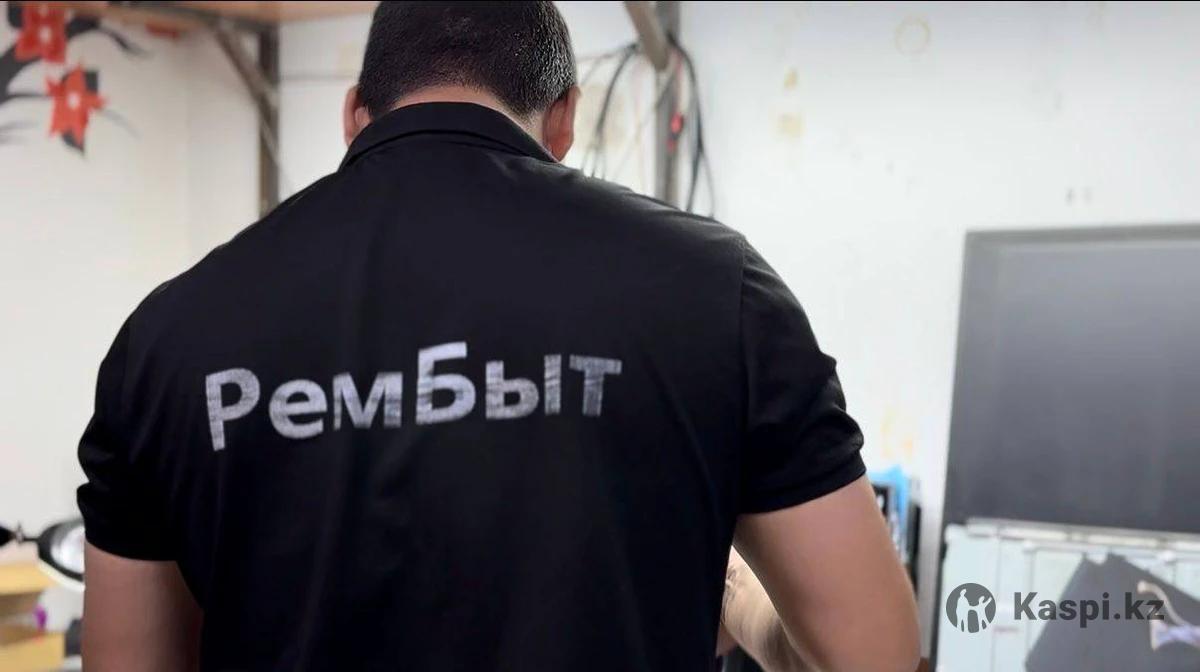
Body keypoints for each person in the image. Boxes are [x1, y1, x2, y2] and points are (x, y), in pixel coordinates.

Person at [77, 2, 920, 671]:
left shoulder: (168, 338)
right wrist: (730, 595)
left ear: (354, 114)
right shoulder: (717, 291)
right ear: (564, 117)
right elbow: (875, 653)